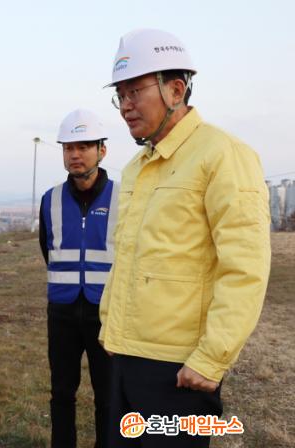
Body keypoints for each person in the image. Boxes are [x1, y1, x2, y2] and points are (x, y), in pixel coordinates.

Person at [99, 28, 271, 447]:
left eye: (135, 91)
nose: (126, 106)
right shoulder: (137, 167)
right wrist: (109, 328)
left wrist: (211, 358)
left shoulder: (222, 155)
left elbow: (245, 268)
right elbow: (130, 259)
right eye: (119, 95)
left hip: (179, 371)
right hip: (126, 358)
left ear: (176, 89)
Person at [39, 109, 116, 448]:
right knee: (61, 393)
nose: (75, 154)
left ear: (102, 151)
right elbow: (48, 249)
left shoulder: (123, 197)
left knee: (109, 395)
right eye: (69, 147)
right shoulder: (50, 200)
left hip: (107, 312)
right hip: (62, 312)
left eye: (84, 147)